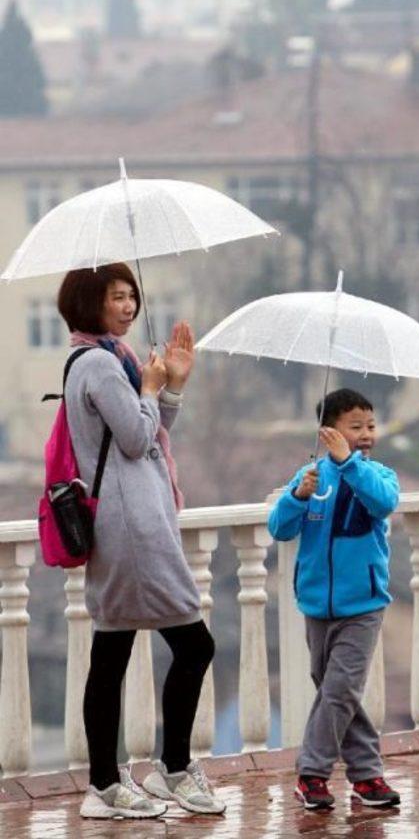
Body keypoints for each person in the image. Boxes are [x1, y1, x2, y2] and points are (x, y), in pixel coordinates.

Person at [57, 263, 225, 821]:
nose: (128, 307)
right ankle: (168, 769)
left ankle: (108, 783)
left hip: (132, 520)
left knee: (112, 652)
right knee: (192, 644)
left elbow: (150, 433)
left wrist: (169, 385)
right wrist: (152, 390)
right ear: (89, 303)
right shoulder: (102, 364)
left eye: (132, 296)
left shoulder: (110, 358)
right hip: (132, 528)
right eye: (115, 297)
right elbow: (134, 438)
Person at [268, 388, 401, 812]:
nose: (366, 434)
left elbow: (384, 503)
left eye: (370, 425)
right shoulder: (310, 477)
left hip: (363, 605)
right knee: (335, 692)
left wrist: (349, 464)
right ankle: (366, 776)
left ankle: (312, 773)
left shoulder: (378, 474)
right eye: (355, 426)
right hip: (316, 607)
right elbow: (279, 528)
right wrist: (296, 498)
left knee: (340, 689)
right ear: (328, 431)